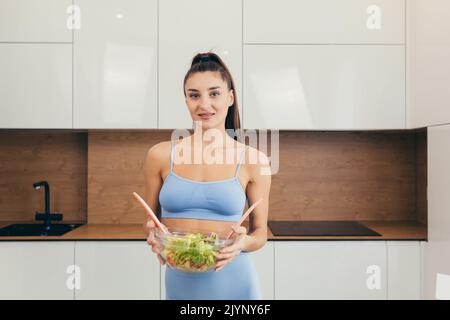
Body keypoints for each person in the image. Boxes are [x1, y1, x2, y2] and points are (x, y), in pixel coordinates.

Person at [143, 52, 271, 300]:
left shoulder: (254, 160)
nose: (203, 105)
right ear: (186, 100)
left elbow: (260, 234)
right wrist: (153, 234)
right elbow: (149, 220)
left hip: (234, 281)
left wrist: (242, 244)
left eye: (214, 93)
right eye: (194, 95)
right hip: (180, 281)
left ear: (230, 98)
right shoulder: (159, 156)